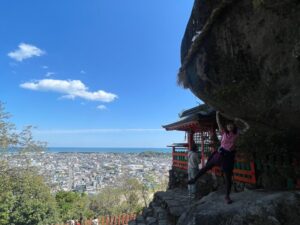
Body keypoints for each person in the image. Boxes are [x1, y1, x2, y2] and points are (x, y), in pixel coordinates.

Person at [188, 111, 249, 204]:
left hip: (228, 157)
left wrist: (239, 120)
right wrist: (217, 114)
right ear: (226, 127)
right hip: (219, 154)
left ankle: (227, 196)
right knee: (206, 167)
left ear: (234, 126)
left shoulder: (236, 134)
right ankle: (194, 179)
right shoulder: (224, 132)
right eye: (228, 125)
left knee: (228, 177)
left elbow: (247, 127)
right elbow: (219, 123)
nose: (230, 127)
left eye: (231, 125)